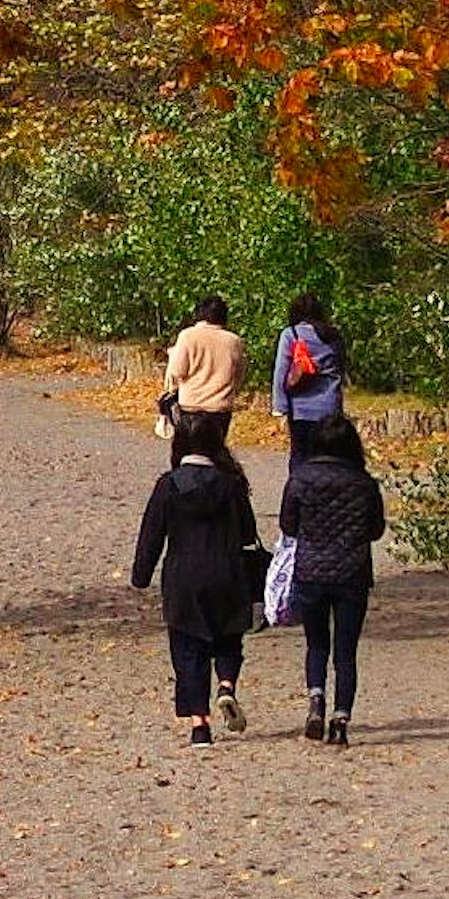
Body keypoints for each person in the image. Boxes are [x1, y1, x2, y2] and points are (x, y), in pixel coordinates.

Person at [132, 407, 263, 744]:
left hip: (183, 576)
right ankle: (226, 684)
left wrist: (141, 575)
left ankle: (199, 725)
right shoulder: (231, 485)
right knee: (229, 638)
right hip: (227, 571)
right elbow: (248, 533)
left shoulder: (169, 485)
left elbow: (151, 535)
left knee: (188, 647)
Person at [281, 413, 388, 746]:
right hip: (352, 573)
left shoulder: (301, 479)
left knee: (316, 643)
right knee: (346, 651)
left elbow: (288, 525)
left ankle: (315, 699)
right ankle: (341, 719)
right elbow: (376, 529)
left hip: (311, 571)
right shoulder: (364, 483)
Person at [158, 293, 245, 440]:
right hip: (220, 407)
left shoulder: (188, 336)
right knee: (215, 451)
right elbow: (239, 374)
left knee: (187, 450)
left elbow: (177, 371)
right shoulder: (234, 341)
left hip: (191, 406)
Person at [272, 294, 350, 454]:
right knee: (328, 455)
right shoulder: (333, 335)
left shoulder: (291, 334)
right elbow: (342, 366)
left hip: (301, 409)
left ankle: (302, 480)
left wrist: (279, 406)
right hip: (330, 406)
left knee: (300, 455)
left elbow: (281, 371)